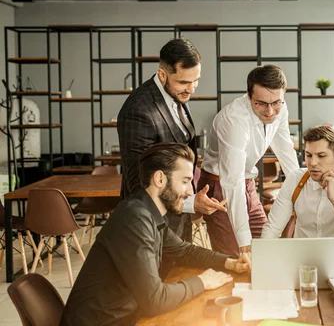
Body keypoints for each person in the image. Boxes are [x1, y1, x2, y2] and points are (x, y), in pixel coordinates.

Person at [60, 143, 250, 326]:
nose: (190, 191)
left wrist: (229, 262)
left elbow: (185, 252)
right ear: (160, 179)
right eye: (184, 181)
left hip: (127, 318)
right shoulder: (135, 219)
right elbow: (155, 300)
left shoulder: (148, 212)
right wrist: (202, 281)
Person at [117, 38, 225, 241]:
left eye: (196, 81)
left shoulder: (176, 95)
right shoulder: (138, 111)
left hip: (177, 221)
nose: (192, 89)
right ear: (162, 74)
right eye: (184, 82)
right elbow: (139, 184)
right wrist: (190, 203)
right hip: (150, 225)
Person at [199, 64, 300, 256]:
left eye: (276, 103)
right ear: (248, 95)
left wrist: (302, 193)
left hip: (247, 184)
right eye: (260, 103)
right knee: (236, 258)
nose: (270, 112)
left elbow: (286, 151)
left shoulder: (281, 108)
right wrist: (243, 240)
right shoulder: (233, 120)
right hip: (219, 186)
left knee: (266, 251)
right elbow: (232, 181)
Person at [261, 125, 334, 258]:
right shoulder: (295, 180)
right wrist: (264, 262)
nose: (313, 163)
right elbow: (272, 230)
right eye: (309, 155)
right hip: (299, 263)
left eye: (321, 156)